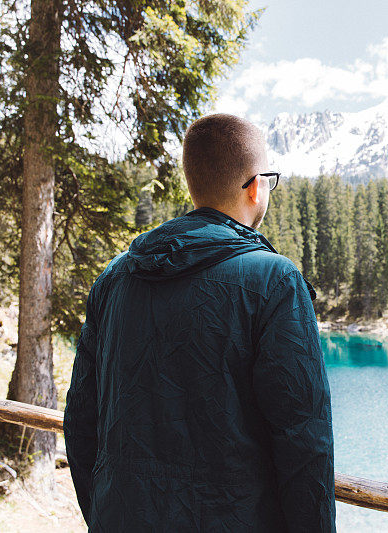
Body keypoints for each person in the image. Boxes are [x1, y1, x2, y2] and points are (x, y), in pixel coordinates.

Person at [63, 113, 337, 532]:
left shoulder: (114, 278)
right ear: (255, 186)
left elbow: (81, 421)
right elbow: (305, 445)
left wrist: (104, 514)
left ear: (194, 184)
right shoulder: (275, 281)